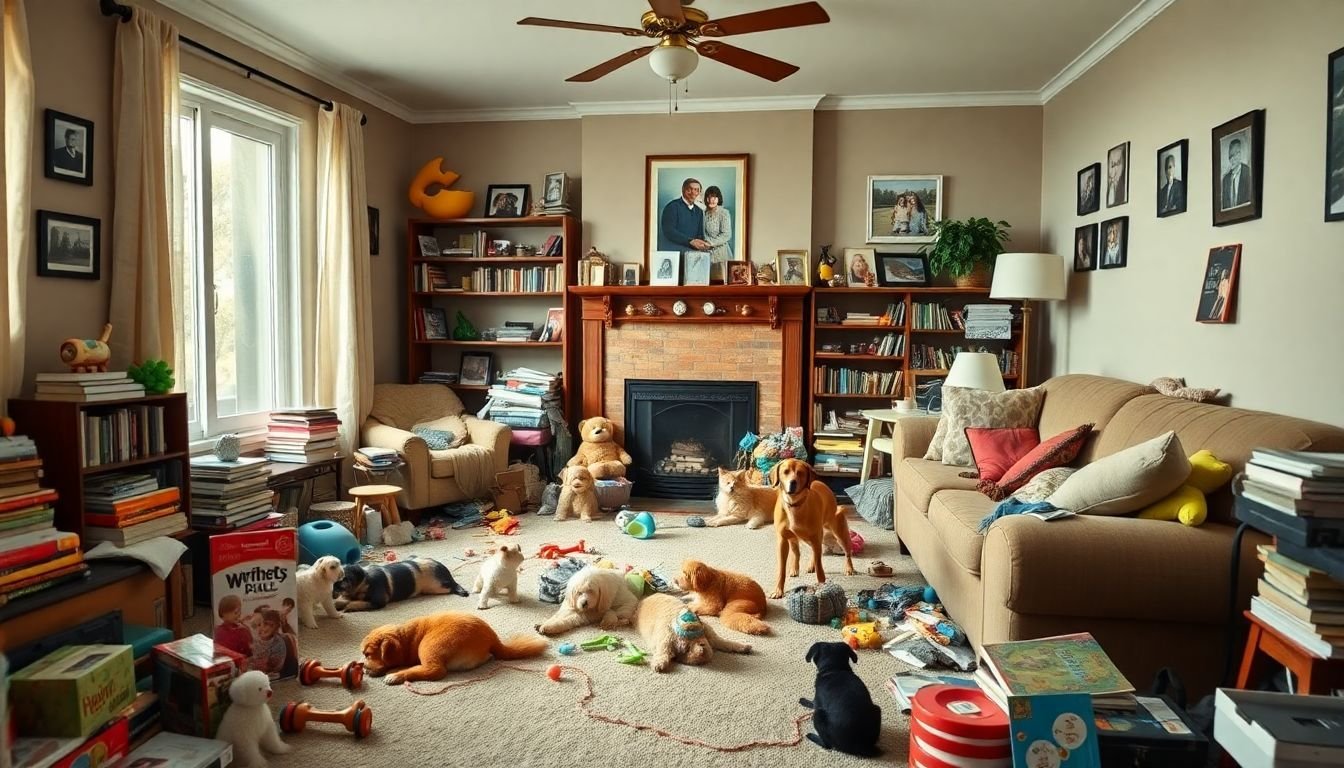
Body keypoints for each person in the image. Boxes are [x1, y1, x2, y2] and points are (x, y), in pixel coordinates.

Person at [658, 177, 710, 252]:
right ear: (683, 190)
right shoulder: (672, 206)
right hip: (675, 253)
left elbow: (700, 235)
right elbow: (668, 231)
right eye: (689, 189)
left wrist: (702, 244)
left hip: (693, 255)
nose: (693, 192)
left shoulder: (699, 211)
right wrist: (690, 241)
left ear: (699, 192)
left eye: (696, 190)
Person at [701, 185, 732, 277]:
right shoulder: (702, 213)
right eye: (709, 197)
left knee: (719, 280)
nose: (711, 200)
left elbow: (726, 235)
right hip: (704, 252)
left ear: (719, 198)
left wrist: (710, 243)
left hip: (720, 253)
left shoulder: (724, 213)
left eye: (714, 197)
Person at [249, 609, 287, 677]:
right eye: (258, 624)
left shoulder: (278, 643)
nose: (262, 627)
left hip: (270, 674)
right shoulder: (254, 639)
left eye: (267, 624)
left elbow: (276, 666)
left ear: (276, 627)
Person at [1221, 137, 1252, 209]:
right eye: (1230, 156)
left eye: (1234, 155)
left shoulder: (1248, 173)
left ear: (1240, 154)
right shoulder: (1225, 179)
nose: (1232, 160)